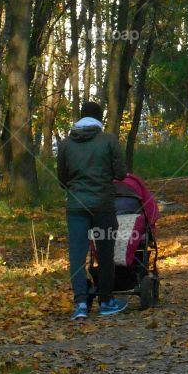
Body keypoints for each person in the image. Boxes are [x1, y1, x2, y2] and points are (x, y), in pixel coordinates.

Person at [57, 100, 128, 320]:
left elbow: (62, 179)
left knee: (77, 255)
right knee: (105, 253)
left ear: (80, 117)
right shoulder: (108, 140)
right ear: (100, 119)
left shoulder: (67, 144)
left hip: (76, 207)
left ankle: (80, 304)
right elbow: (121, 173)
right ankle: (106, 301)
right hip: (103, 206)